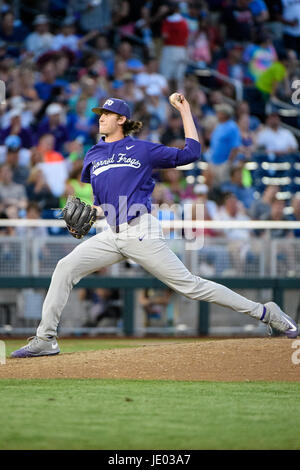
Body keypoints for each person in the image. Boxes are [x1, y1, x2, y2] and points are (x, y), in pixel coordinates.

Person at [11, 95, 298, 358]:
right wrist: (91, 212)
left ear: (121, 120)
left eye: (107, 114)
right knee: (64, 267)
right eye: (100, 113)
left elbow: (191, 153)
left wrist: (185, 110)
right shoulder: (93, 155)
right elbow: (102, 202)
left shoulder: (142, 149)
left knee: (190, 286)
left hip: (141, 231)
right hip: (111, 233)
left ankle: (265, 312)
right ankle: (46, 338)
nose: (101, 117)